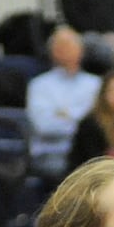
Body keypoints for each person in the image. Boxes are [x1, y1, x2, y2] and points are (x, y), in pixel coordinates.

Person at [26, 26, 102, 181]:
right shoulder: (39, 85)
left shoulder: (96, 84)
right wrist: (80, 120)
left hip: (90, 151)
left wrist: (65, 115)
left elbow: (99, 124)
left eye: (69, 45)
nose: (64, 50)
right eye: (60, 46)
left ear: (81, 50)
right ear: (52, 51)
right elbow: (44, 126)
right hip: (52, 154)